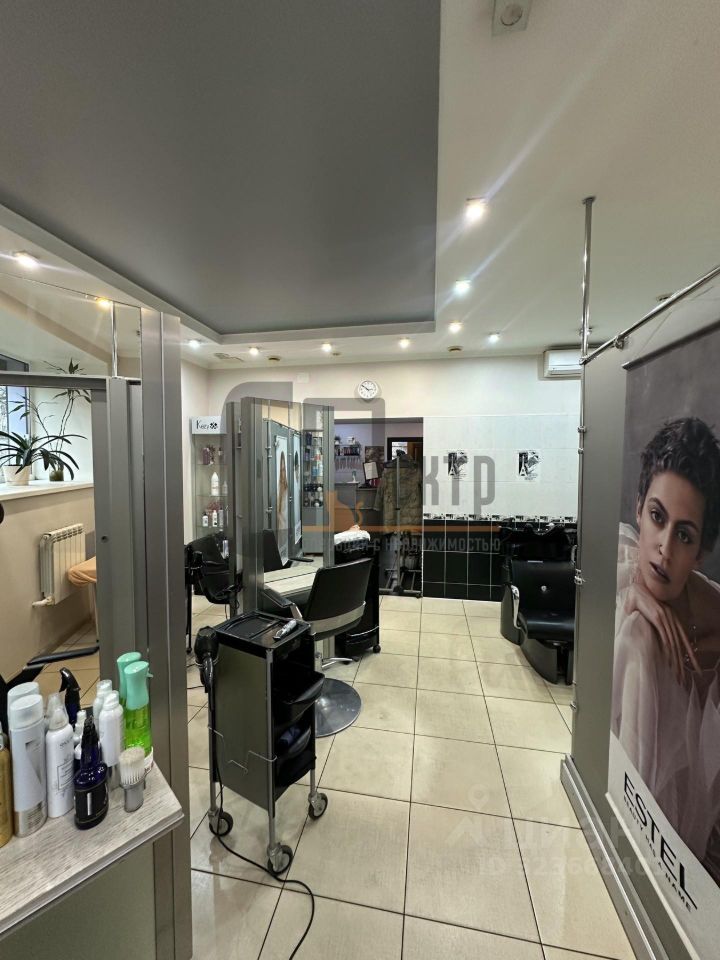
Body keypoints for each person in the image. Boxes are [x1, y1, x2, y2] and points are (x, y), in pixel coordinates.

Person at [612, 417, 720, 883]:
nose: (663, 549)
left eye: (685, 535)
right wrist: (637, 595)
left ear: (700, 554)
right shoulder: (624, 573)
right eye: (657, 518)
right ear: (639, 510)